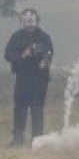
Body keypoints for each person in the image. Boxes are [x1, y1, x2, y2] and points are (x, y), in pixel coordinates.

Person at [4, 8, 54, 147]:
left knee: (37, 109)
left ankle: (36, 141)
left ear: (37, 21)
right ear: (22, 22)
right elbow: (7, 54)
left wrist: (45, 61)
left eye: (31, 20)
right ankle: (17, 139)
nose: (29, 23)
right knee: (20, 108)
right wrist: (22, 57)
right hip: (22, 78)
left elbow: (49, 53)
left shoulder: (44, 37)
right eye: (26, 20)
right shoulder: (16, 37)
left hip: (39, 79)